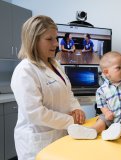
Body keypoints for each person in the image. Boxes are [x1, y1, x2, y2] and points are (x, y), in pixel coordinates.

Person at [11, 15, 86, 160]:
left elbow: (67, 92)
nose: (56, 44)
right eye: (49, 39)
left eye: (56, 38)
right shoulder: (25, 70)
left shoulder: (55, 64)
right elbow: (35, 113)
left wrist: (76, 109)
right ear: (33, 40)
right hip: (38, 142)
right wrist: (70, 121)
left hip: (60, 136)